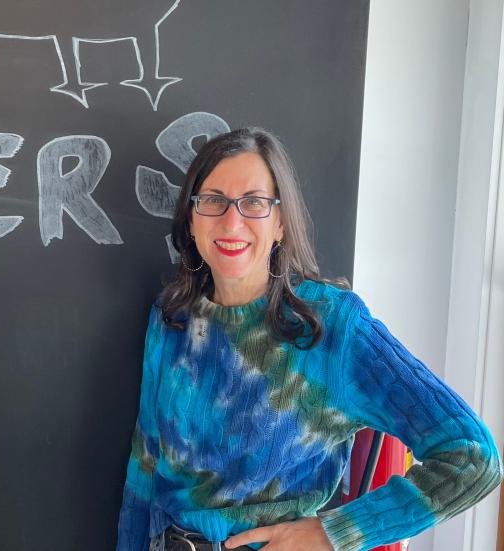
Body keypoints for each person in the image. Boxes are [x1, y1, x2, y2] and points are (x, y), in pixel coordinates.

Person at [116, 127, 503, 551]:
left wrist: (332, 533)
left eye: (254, 203)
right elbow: (145, 469)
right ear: (192, 219)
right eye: (212, 200)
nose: (232, 220)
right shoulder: (171, 317)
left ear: (281, 223)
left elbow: (473, 458)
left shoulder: (333, 326)